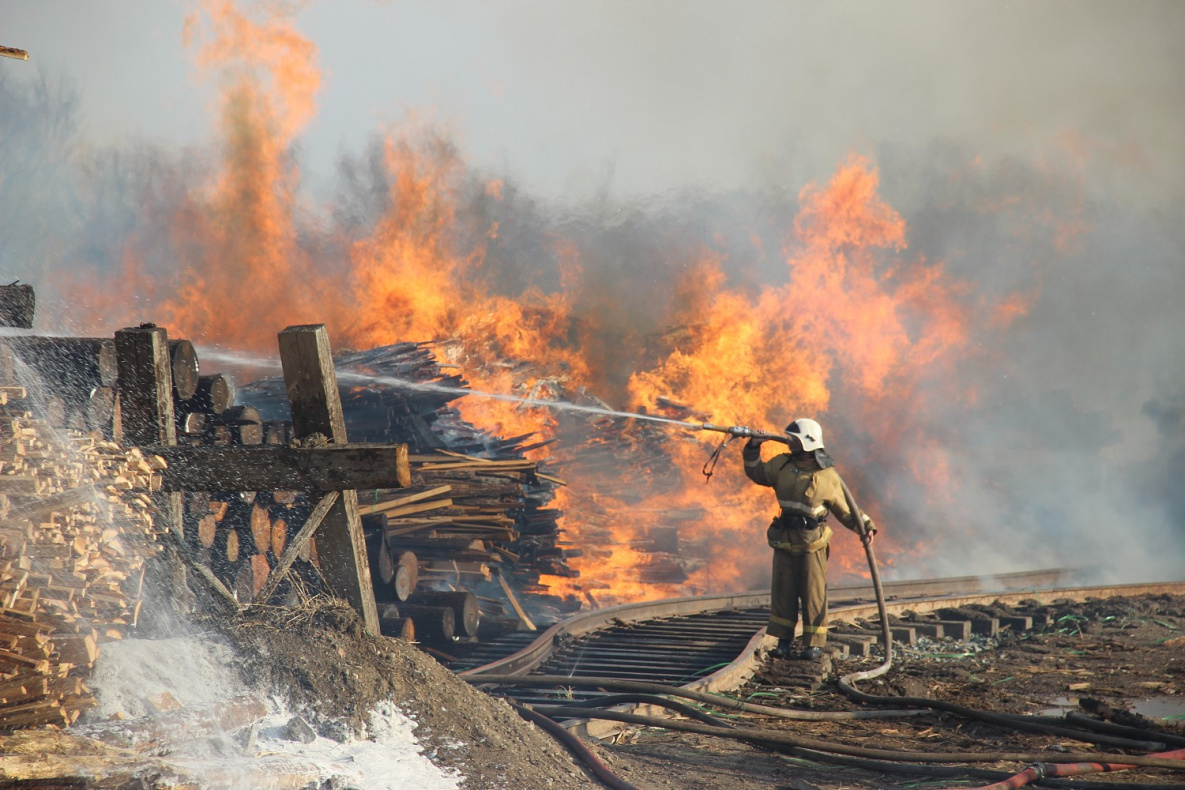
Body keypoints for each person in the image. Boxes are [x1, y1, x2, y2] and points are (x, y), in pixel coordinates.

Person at [742, 418, 875, 661]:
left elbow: (845, 509)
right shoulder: (782, 465)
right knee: (783, 591)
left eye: (795, 439)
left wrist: (865, 527)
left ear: (808, 443)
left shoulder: (826, 475)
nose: (790, 443)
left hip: (812, 541)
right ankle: (783, 642)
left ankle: (813, 644)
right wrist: (753, 447)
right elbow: (757, 472)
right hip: (784, 539)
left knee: (813, 593)